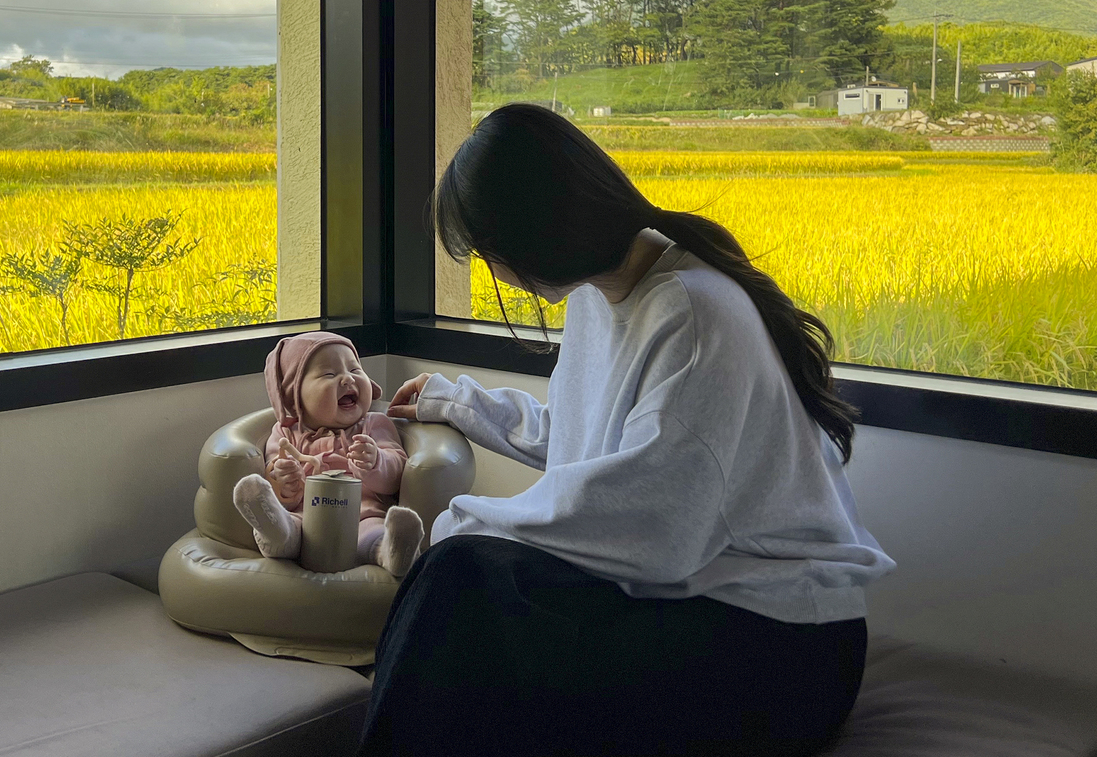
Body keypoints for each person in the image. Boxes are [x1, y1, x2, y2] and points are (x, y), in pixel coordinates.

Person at [358, 104, 894, 757]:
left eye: (491, 253)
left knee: (461, 578)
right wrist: (457, 401)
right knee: (465, 593)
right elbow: (589, 438)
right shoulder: (599, 294)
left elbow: (653, 528)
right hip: (691, 596)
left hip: (783, 647)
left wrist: (462, 525)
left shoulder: (694, 315)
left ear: (540, 231)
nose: (494, 273)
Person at [232, 332, 425, 577]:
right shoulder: (285, 433)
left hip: (361, 515)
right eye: (329, 374)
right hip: (305, 518)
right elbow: (276, 473)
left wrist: (375, 461)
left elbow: (397, 475)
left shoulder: (375, 424)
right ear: (295, 395)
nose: (348, 378)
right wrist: (285, 482)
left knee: (373, 531)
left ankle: (392, 551)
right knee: (291, 525)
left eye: (355, 370)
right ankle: (274, 532)